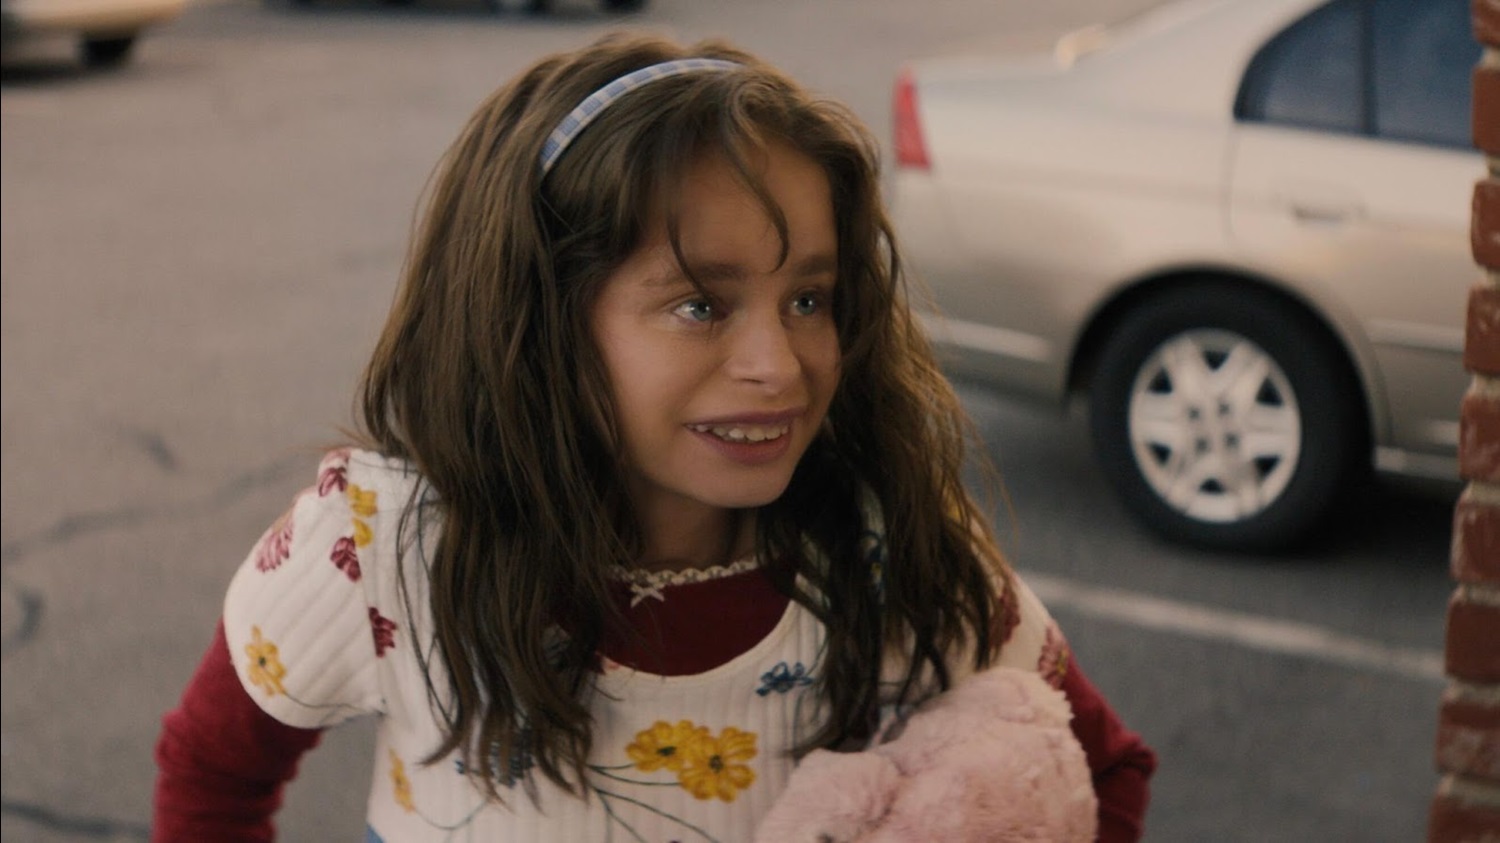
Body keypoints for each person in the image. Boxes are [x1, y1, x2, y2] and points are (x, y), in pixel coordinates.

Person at [152, 31, 1157, 842]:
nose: (779, 363)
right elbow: (211, 774)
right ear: (536, 323)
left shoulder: (894, 553)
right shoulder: (380, 550)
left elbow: (1105, 767)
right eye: (699, 305)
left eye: (809, 298)